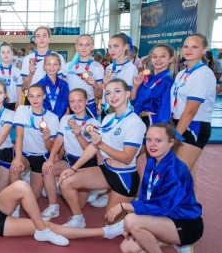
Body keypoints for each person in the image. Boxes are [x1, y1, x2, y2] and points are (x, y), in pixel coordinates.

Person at [110, 123, 203, 253]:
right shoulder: (153, 161)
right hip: (165, 218)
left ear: (171, 142)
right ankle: (175, 242)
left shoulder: (176, 170)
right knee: (128, 249)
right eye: (149, 140)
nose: (152, 145)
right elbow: (147, 194)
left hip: (186, 223)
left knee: (131, 220)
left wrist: (126, 207)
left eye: (158, 140)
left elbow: (163, 205)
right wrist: (137, 219)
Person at [59, 79, 146, 228]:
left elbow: (127, 158)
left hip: (124, 177)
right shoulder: (108, 118)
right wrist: (73, 168)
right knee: (66, 181)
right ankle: (78, 218)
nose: (113, 96)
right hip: (106, 169)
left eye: (117, 91)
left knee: (109, 226)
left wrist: (101, 144)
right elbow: (93, 147)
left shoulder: (134, 122)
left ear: (127, 94)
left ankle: (135, 216)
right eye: (108, 93)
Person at [41, 89, 100, 221]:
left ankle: (91, 188)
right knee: (48, 169)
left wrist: (79, 135)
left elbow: (90, 150)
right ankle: (53, 207)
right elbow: (59, 140)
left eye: (80, 100)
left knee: (79, 204)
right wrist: (50, 159)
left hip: (86, 165)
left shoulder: (94, 124)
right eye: (72, 101)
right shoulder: (66, 119)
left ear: (86, 101)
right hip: (69, 161)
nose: (76, 104)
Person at [170, 34, 217, 172]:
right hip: (179, 122)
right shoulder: (182, 73)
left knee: (179, 173)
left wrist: (176, 135)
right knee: (187, 174)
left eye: (194, 47)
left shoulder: (202, 74)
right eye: (186, 46)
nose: (189, 50)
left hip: (194, 125)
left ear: (204, 50)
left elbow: (191, 110)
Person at [10, 84, 59, 199]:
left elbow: (50, 148)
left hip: (41, 156)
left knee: (34, 197)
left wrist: (47, 138)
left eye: (38, 96)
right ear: (27, 97)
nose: (35, 99)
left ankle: (33, 179)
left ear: (44, 96)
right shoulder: (22, 110)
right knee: (14, 169)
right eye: (31, 96)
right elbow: (19, 135)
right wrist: (18, 159)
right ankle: (15, 205)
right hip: (25, 154)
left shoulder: (53, 118)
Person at [130, 43, 175, 128]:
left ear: (170, 59)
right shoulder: (147, 79)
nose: (158, 60)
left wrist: (160, 128)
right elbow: (132, 101)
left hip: (155, 122)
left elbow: (165, 109)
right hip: (138, 119)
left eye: (163, 56)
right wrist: (136, 86)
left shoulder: (168, 82)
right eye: (154, 56)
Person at [63, 34, 104, 118]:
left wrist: (95, 85)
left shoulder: (98, 67)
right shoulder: (67, 66)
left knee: (90, 126)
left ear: (92, 47)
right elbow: (63, 91)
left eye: (87, 44)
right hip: (71, 105)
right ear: (76, 47)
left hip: (89, 105)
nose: (83, 47)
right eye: (80, 44)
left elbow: (99, 96)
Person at [102, 33, 138, 118]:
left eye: (116, 46)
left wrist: (110, 83)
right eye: (110, 47)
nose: (112, 50)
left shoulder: (130, 68)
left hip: (121, 111)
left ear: (125, 46)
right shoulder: (109, 67)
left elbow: (127, 93)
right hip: (106, 108)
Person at [37, 53, 69, 119]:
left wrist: (66, 120)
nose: (52, 67)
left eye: (55, 64)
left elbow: (67, 105)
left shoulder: (64, 85)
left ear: (59, 66)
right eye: (49, 64)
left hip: (61, 119)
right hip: (44, 120)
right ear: (44, 66)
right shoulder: (39, 85)